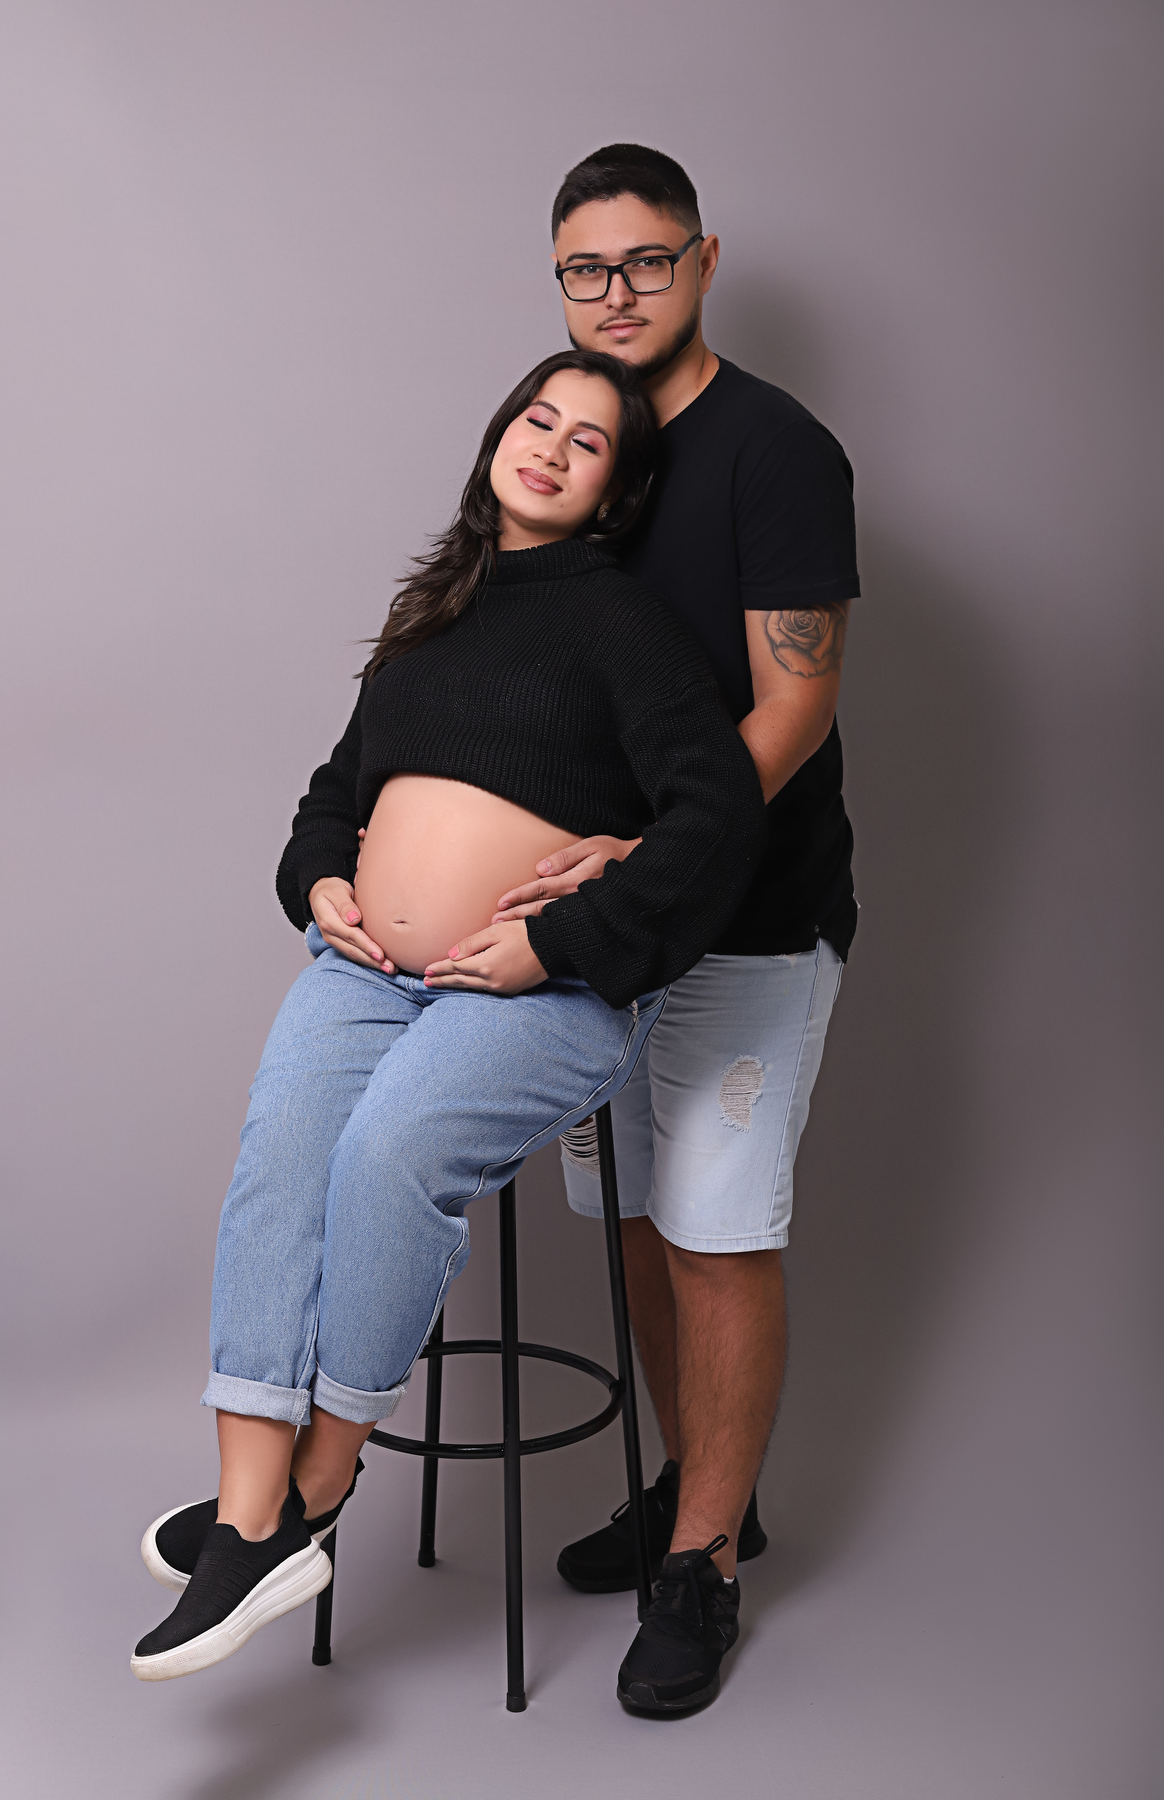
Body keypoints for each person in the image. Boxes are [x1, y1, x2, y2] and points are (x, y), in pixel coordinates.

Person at [130, 348, 768, 1682]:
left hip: (547, 986)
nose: (549, 446)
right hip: (366, 973)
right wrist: (321, 882)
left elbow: (716, 814)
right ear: (497, 436)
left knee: (388, 1155)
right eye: (537, 418)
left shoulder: (624, 623)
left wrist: (558, 941)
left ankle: (315, 1492)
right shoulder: (435, 613)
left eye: (587, 442)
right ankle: (247, 1516)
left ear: (614, 493)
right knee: (281, 1157)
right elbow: (335, 791)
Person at [492, 146, 860, 1715]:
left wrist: (654, 851)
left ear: (704, 261)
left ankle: (702, 1565)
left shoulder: (776, 451)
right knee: (637, 1220)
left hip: (746, 918)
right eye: (587, 269)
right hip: (604, 927)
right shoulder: (578, 444)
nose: (619, 293)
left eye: (647, 260)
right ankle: (703, 1489)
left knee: (716, 1232)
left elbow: (795, 703)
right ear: (558, 280)